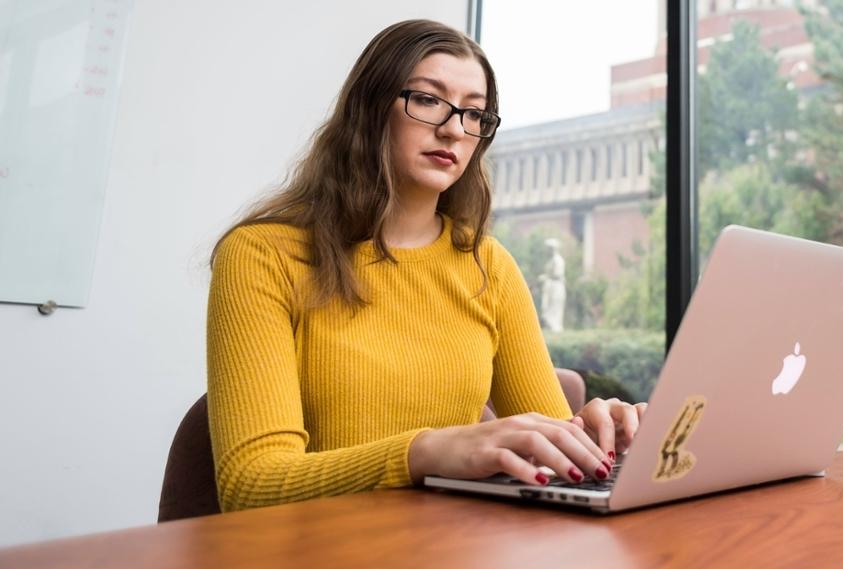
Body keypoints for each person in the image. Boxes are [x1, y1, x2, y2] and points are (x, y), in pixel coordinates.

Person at [206, 19, 644, 512]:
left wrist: (594, 437)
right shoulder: (262, 254)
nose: (454, 129)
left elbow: (544, 439)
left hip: (449, 547)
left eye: (475, 114)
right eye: (428, 99)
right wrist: (425, 452)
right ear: (369, 109)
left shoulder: (488, 266)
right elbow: (251, 486)